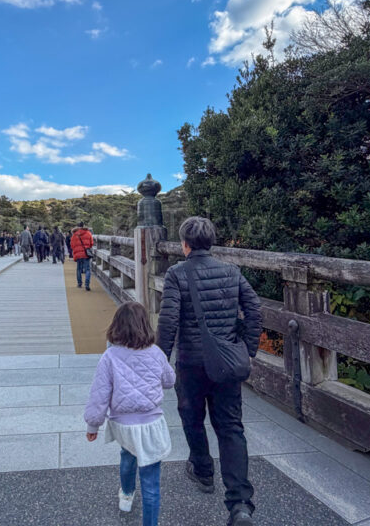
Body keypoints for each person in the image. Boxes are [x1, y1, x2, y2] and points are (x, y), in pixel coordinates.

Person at [157, 217, 262, 526]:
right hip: (225, 363)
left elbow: (168, 320)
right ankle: (239, 504)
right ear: (211, 242)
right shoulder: (232, 272)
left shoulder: (177, 274)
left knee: (191, 418)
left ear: (184, 244)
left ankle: (203, 470)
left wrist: (160, 360)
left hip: (191, 362)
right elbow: (255, 309)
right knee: (231, 427)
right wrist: (247, 349)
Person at [85, 302, 175, 526]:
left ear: (116, 325)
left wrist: (93, 425)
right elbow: (169, 381)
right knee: (151, 481)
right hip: (151, 425)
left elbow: (99, 394)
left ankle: (126, 495)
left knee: (128, 456)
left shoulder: (109, 356)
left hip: (124, 425)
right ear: (145, 325)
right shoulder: (156, 353)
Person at [70, 222, 94, 290]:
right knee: (87, 269)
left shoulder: (74, 234)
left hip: (78, 254)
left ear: (77, 226)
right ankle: (87, 284)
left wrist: (76, 250)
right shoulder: (88, 233)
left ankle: (79, 283)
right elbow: (91, 243)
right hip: (86, 254)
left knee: (79, 269)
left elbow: (72, 245)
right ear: (83, 226)